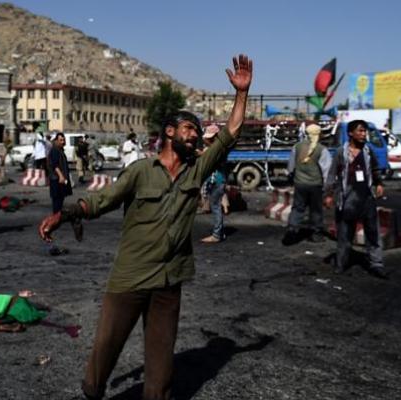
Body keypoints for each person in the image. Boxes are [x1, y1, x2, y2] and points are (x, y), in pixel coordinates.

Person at [38, 54, 252, 400]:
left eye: (198, 132)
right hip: (131, 276)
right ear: (170, 132)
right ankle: (92, 389)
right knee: (106, 348)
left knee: (161, 362)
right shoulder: (140, 170)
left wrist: (242, 93)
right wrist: (64, 214)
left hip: (169, 280)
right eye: (189, 129)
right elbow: (102, 200)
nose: (196, 136)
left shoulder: (197, 170)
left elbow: (230, 133)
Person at [324, 119, 388, 279]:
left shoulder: (368, 151)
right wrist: (329, 194)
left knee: (373, 233)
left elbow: (375, 168)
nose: (363, 134)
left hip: (366, 199)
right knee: (345, 234)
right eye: (360, 131)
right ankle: (341, 264)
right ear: (351, 133)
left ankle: (376, 264)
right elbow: (332, 174)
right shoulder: (341, 152)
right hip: (347, 200)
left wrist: (379, 183)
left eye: (365, 131)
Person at [282, 123, 332, 244]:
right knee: (315, 210)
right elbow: (327, 171)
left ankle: (292, 230)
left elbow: (290, 167)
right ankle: (316, 233)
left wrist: (292, 177)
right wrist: (328, 189)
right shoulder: (322, 150)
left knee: (298, 208)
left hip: (300, 184)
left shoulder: (297, 147)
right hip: (315, 185)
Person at [200, 124, 228, 243]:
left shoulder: (219, 149)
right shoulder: (218, 148)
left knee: (216, 207)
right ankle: (218, 232)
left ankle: (217, 235)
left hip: (217, 180)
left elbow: (212, 160)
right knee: (215, 206)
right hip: (215, 180)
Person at [47, 132, 73, 213]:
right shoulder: (55, 150)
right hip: (56, 179)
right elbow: (55, 165)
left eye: (63, 140)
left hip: (60, 179)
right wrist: (61, 176)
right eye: (60, 140)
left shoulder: (60, 150)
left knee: (60, 200)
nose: (63, 142)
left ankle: (57, 216)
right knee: (57, 202)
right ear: (56, 141)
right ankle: (55, 218)